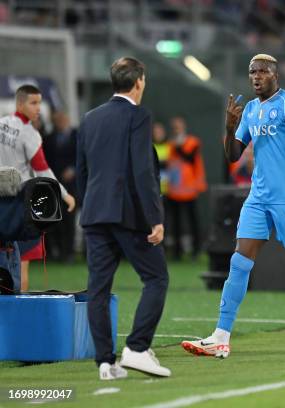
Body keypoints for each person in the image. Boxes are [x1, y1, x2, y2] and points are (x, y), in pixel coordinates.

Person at [181, 54, 285, 359]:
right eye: (251, 72)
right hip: (257, 198)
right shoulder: (251, 110)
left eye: (262, 72)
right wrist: (230, 128)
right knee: (239, 262)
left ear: (275, 75)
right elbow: (233, 155)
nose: (256, 77)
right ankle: (220, 336)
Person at [76, 57, 170, 380]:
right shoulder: (138, 116)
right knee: (156, 278)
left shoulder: (89, 119)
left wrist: (89, 208)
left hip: (95, 214)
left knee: (98, 290)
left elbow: (83, 172)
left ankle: (105, 363)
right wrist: (155, 218)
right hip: (128, 215)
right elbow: (142, 170)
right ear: (139, 82)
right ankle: (138, 348)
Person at [0, 85, 75, 291]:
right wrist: (64, 194)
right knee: (20, 270)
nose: (38, 108)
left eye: (40, 103)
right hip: (19, 208)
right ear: (20, 103)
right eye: (34, 103)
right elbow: (42, 171)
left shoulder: (1, 123)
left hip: (1, 209)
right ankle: (17, 319)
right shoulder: (29, 133)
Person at [166, 116, 207, 259]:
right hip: (174, 189)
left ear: (183, 127)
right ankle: (177, 252)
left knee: (193, 220)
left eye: (178, 126)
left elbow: (189, 158)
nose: (176, 129)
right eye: (174, 126)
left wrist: (178, 145)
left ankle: (196, 250)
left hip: (189, 189)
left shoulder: (192, 142)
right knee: (175, 222)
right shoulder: (170, 144)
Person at [43, 111, 78, 262]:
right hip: (53, 185)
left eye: (63, 119)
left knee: (69, 220)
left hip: (72, 186)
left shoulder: (78, 136)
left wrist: (73, 169)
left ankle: (68, 253)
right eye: (57, 119)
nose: (60, 122)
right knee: (53, 220)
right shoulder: (49, 138)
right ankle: (54, 252)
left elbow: (84, 156)